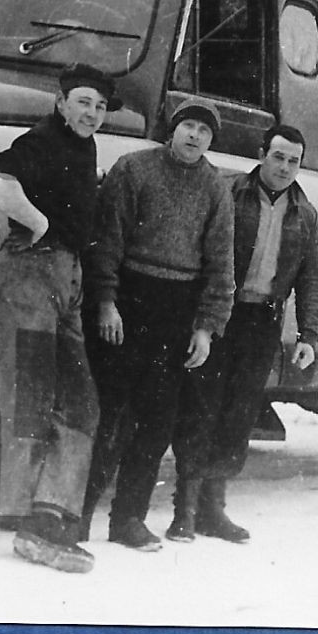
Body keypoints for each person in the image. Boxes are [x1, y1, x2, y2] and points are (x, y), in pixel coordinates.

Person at [0, 64, 118, 574]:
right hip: (29, 276)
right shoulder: (41, 138)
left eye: (100, 106)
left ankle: (52, 511)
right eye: (83, 102)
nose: (92, 113)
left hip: (65, 280)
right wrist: (36, 221)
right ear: (61, 104)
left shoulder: (82, 148)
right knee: (33, 399)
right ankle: (32, 523)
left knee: (80, 402)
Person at [81, 97, 235, 552]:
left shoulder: (215, 188)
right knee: (108, 415)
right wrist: (106, 303)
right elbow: (107, 243)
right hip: (129, 300)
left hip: (177, 309)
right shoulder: (133, 170)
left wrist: (206, 327)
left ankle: (128, 519)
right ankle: (77, 513)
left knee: (157, 420)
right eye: (188, 126)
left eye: (204, 132)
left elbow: (220, 263)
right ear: (172, 130)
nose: (194, 136)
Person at [168, 124, 318, 544]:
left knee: (237, 416)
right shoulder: (229, 193)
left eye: (294, 161)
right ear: (261, 154)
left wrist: (308, 333)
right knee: (201, 408)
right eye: (278, 157)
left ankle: (212, 509)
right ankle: (184, 509)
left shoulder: (304, 213)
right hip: (221, 315)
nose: (285, 167)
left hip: (263, 324)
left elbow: (310, 278)